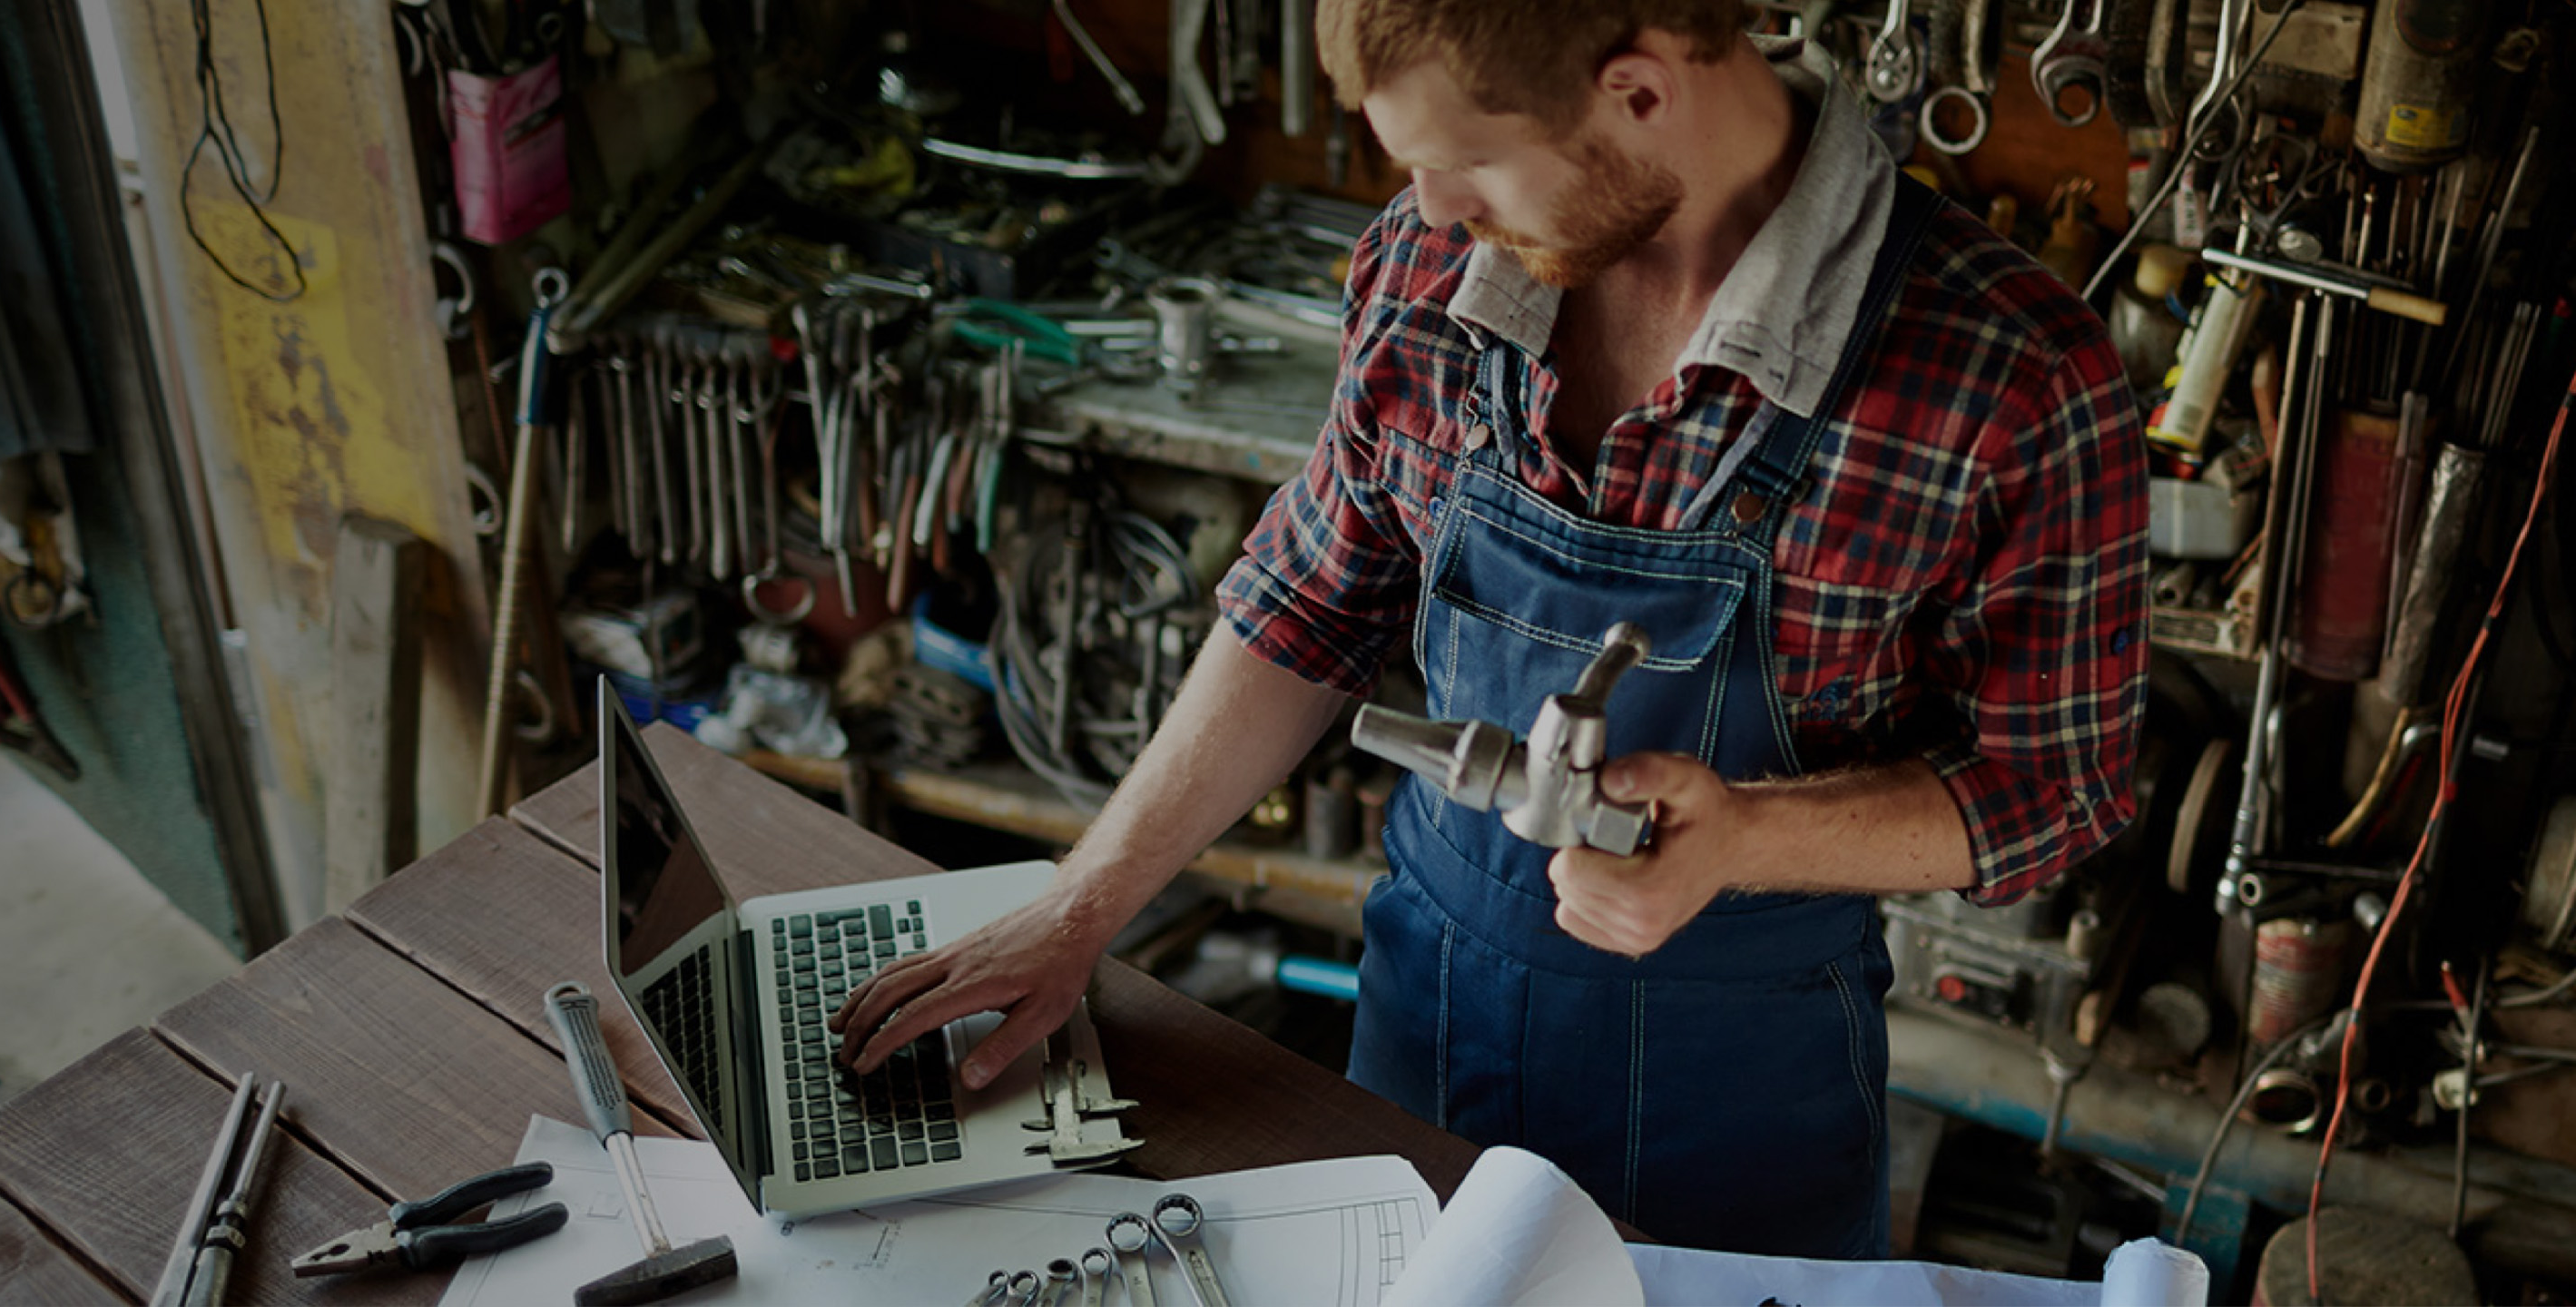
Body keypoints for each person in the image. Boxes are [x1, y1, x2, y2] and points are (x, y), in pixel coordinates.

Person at [839, 0, 2149, 1258]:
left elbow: (2053, 792)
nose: (1431, 208)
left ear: (1637, 89)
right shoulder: (1428, 271)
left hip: (1742, 1126)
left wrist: (1746, 837)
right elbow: (1311, 599)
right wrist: (1080, 908)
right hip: (1422, 1054)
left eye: (1467, 163)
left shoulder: (2013, 375)